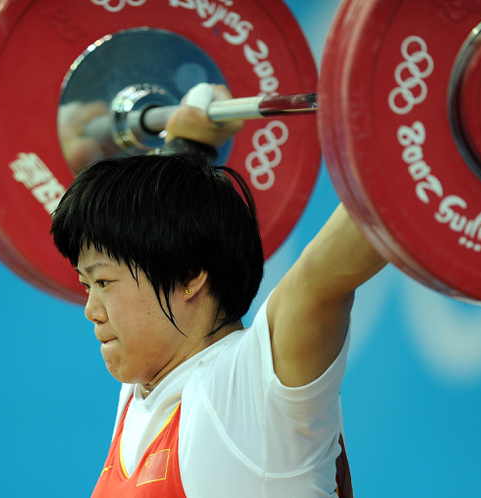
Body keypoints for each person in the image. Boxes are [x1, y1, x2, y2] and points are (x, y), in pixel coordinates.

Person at [50, 83, 387, 497]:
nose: (91, 310)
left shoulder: (251, 390)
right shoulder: (146, 387)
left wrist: (415, 138)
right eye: (87, 286)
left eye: (103, 283)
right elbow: (165, 228)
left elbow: (332, 266)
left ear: (190, 276)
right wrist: (187, 142)